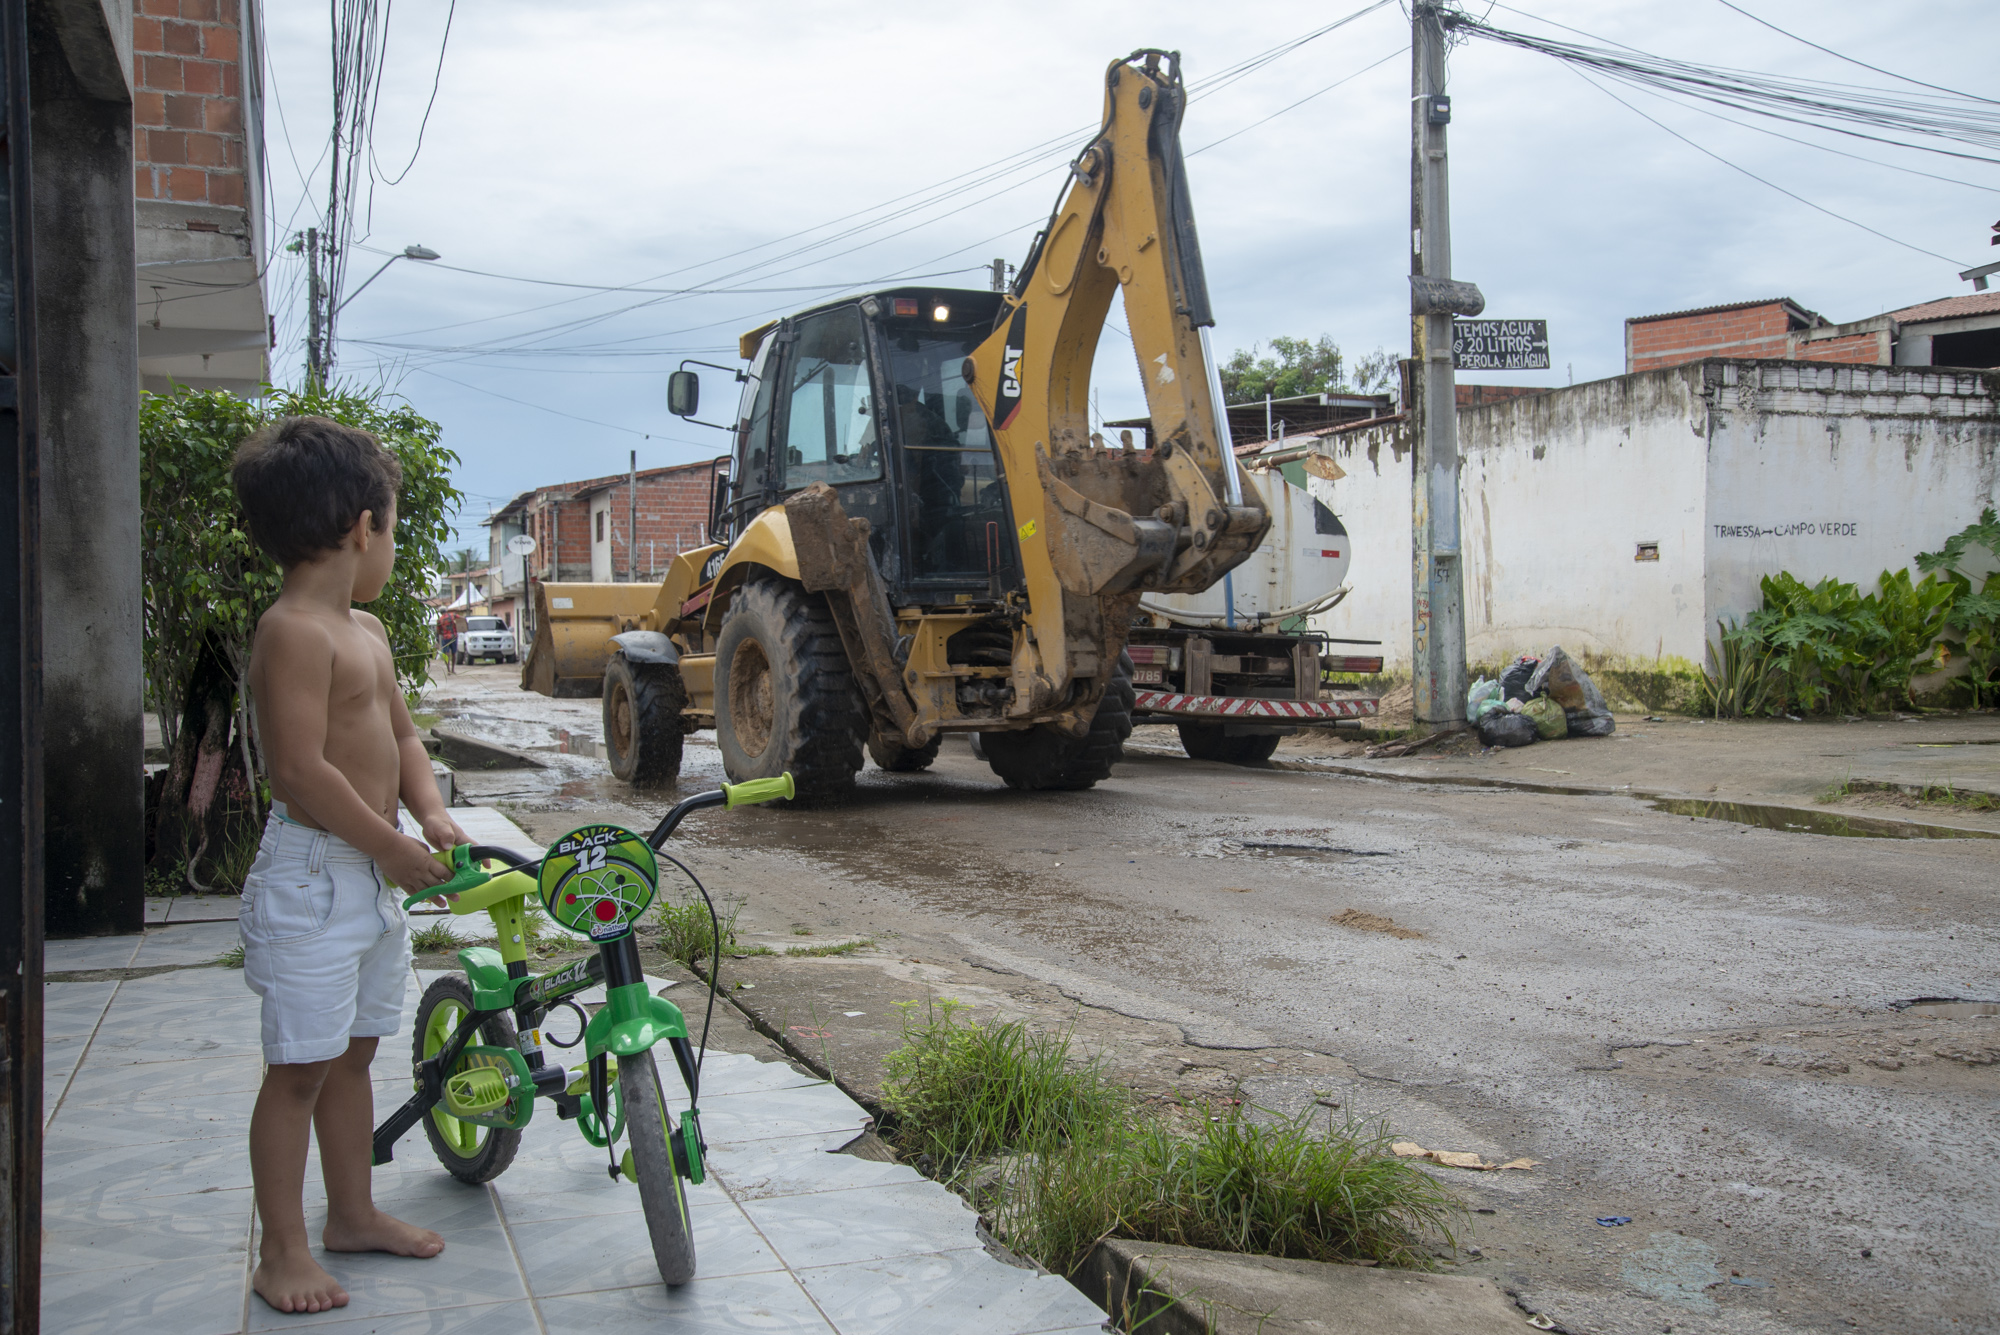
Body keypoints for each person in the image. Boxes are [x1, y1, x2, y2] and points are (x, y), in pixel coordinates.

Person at [232, 417, 467, 1314]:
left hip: (368, 877)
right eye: (396, 530)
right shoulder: (292, 630)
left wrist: (432, 813)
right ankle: (282, 1250)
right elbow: (298, 770)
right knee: (299, 1065)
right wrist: (390, 845)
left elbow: (401, 735)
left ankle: (353, 1212)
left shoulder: (362, 629)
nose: (393, 547)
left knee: (356, 1054)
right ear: (363, 526)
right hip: (315, 875)